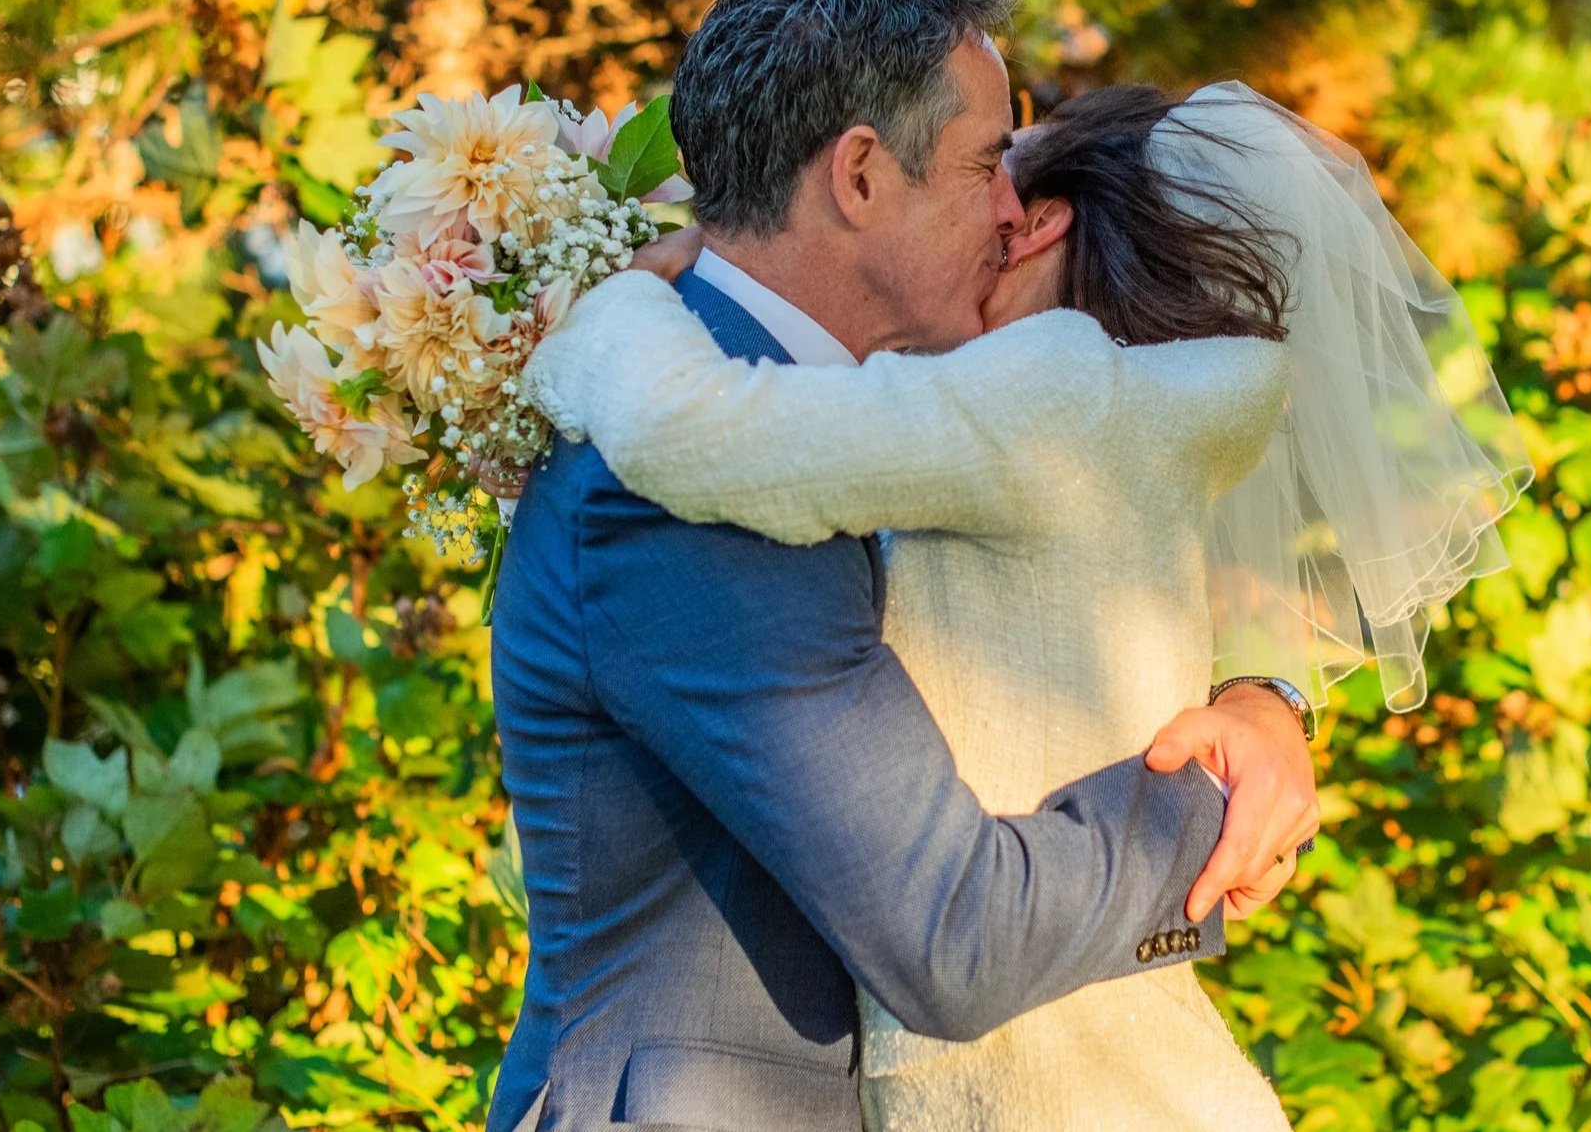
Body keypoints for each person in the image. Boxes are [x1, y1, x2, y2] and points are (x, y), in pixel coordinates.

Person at [529, 80, 1529, 1129]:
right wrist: (1265, 696)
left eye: (989, 183)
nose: (982, 215)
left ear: (1038, 220)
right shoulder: (1161, 414)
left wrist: (627, 296)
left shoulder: (1047, 391)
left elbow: (700, 435)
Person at [483, 0, 1323, 1132]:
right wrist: (1215, 814)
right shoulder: (679, 483)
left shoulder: (856, 422)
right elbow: (947, 931)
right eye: (988, 162)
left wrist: (1263, 699)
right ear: (862, 175)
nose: (1006, 209)